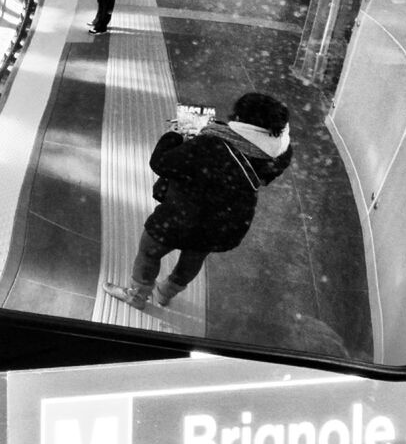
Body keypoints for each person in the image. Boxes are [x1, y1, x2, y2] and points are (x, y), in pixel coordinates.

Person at [104, 92, 293, 310]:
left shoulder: (210, 146)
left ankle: (137, 296)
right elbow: (264, 177)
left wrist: (173, 136)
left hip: (184, 215)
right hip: (226, 221)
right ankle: (166, 293)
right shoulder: (280, 151)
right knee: (194, 255)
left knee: (149, 250)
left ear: (242, 120)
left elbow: (161, 163)